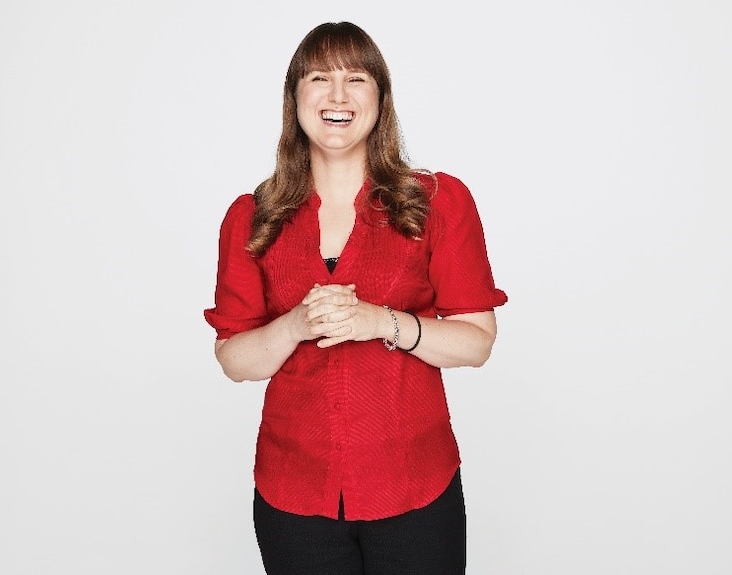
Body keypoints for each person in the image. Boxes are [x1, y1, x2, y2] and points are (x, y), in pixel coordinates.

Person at [203, 21, 507, 575]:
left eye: (356, 78)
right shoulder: (252, 218)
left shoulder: (438, 203)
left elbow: (477, 342)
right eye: (319, 78)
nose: (338, 96)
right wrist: (294, 325)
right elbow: (234, 359)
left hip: (415, 486)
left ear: (380, 99)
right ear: (295, 98)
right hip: (295, 494)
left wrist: (383, 322)